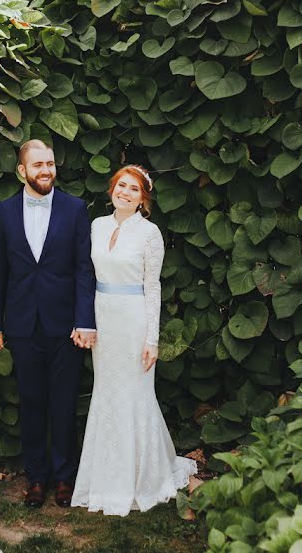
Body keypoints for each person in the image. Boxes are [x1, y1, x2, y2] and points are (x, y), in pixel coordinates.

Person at [71, 164, 197, 516]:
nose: (125, 192)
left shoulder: (149, 233)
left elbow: (152, 287)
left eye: (134, 189)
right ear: (112, 189)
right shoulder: (97, 226)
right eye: (121, 186)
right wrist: (85, 321)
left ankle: (142, 478)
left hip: (133, 318)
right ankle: (106, 478)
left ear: (144, 199)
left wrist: (152, 340)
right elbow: (85, 276)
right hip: (103, 318)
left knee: (136, 395)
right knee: (107, 394)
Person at [0, 139, 97, 508]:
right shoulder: (3, 213)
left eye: (50, 163)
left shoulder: (75, 209)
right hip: (21, 324)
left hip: (65, 324)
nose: (46, 170)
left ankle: (64, 478)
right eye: (38, 165)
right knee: (31, 402)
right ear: (22, 170)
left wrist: (84, 319)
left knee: (64, 403)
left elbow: (84, 269)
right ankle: (36, 478)